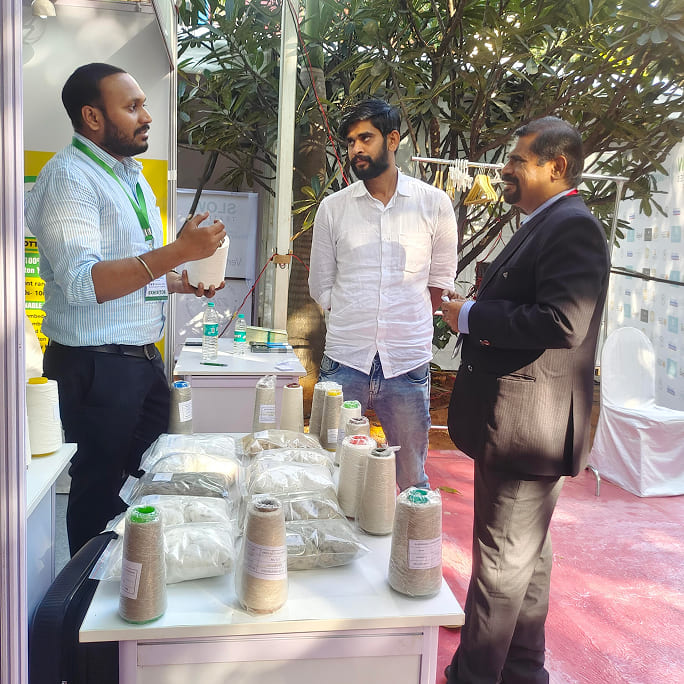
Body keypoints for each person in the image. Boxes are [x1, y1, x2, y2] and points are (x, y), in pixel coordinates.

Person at [25, 63, 227, 556]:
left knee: (143, 479)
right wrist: (178, 251)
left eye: (144, 105)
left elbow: (131, 270)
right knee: (99, 487)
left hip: (137, 358)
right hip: (97, 363)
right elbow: (83, 282)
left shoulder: (130, 177)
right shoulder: (70, 177)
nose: (147, 116)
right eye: (132, 107)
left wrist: (179, 280)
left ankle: (131, 578)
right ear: (93, 117)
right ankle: (86, 597)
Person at [441, 116, 610, 684]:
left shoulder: (572, 227)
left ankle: (473, 677)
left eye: (518, 160)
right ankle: (522, 671)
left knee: (500, 565)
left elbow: (563, 321)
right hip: (519, 422)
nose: (505, 170)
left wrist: (470, 315)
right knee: (526, 558)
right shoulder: (547, 222)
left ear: (556, 167)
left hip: (527, 426)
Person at [308, 98, 458, 491]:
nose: (355, 149)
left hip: (406, 363)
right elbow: (321, 285)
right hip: (345, 360)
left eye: (366, 138)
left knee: (410, 477)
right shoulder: (333, 209)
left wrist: (405, 323)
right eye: (350, 141)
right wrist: (353, 316)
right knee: (329, 471)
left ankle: (411, 535)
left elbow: (440, 282)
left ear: (392, 140)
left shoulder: (434, 204)